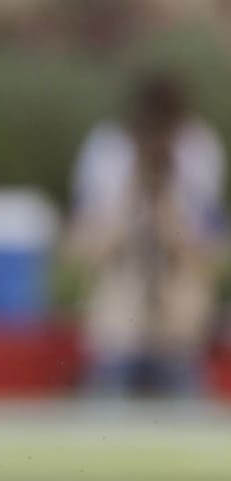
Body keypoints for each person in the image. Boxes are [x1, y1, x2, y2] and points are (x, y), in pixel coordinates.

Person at [66, 68, 227, 398]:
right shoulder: (109, 149)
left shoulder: (198, 149)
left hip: (177, 328)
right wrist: (130, 199)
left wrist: (166, 205)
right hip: (119, 325)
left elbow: (205, 248)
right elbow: (85, 246)